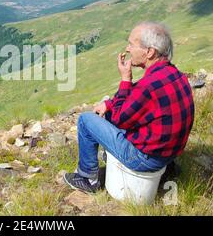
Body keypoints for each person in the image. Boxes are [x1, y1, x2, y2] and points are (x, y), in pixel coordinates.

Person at [64, 22, 195, 193]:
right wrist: (109, 104)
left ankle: (88, 178)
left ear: (149, 52)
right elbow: (136, 96)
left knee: (86, 121)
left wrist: (125, 79)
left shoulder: (149, 86)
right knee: (109, 110)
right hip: (168, 154)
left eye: (132, 44)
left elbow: (119, 120)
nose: (127, 49)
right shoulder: (174, 74)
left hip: (145, 159)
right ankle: (168, 170)